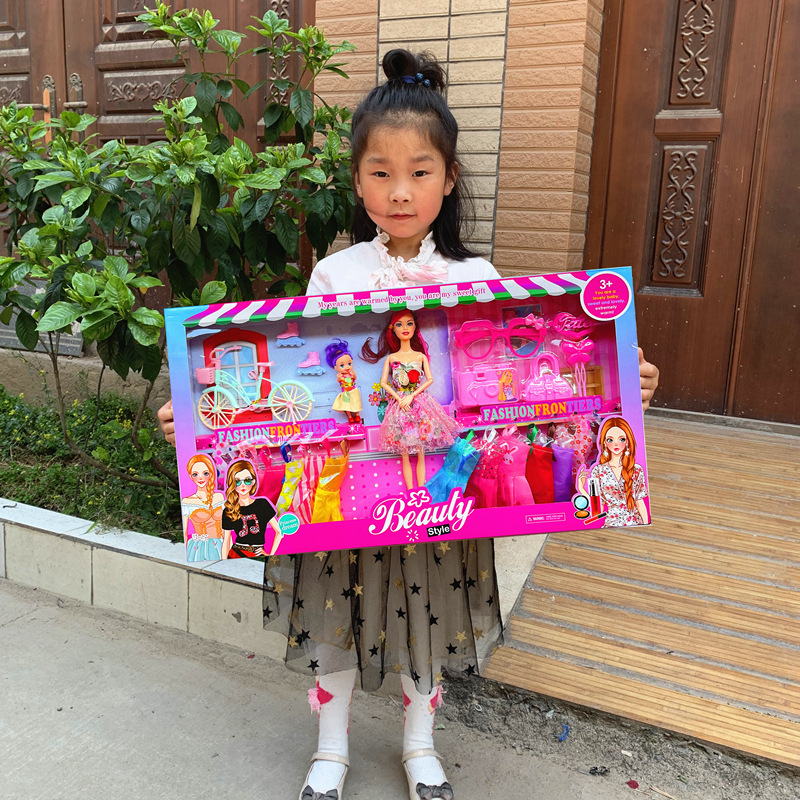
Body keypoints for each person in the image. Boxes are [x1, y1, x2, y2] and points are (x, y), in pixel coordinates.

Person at [156, 48, 661, 800]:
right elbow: (302, 381)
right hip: (355, 487)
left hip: (438, 501)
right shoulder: (334, 277)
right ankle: (331, 750)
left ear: (449, 178)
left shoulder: (476, 279)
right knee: (333, 609)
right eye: (381, 173)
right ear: (357, 181)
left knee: (430, 611)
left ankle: (420, 745)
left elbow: (531, 377)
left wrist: (626, 385)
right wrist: (198, 422)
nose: (400, 191)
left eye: (420, 171)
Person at [361, 309, 461, 488]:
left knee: (421, 450)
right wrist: (399, 399)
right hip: (401, 405)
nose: (405, 328)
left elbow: (429, 379)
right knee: (404, 453)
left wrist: (412, 395)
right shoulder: (392, 358)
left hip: (419, 404)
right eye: (399, 324)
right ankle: (410, 493)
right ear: (393, 329)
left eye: (409, 323)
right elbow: (384, 383)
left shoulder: (420, 356)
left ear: (415, 326)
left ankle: (420, 491)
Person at [580, 416, 649, 526]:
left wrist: (646, 524)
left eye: (621, 439)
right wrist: (581, 489)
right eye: (610, 440)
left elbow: (640, 502)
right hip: (611, 524)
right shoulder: (598, 471)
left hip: (635, 522)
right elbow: (597, 509)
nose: (616, 444)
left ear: (627, 441)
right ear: (604, 442)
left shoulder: (636, 469)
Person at [220, 460, 282, 558]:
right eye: (237, 481)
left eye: (247, 480)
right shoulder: (229, 509)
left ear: (253, 481)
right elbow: (226, 540)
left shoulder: (262, 504)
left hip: (258, 554)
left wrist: (270, 555)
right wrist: (223, 563)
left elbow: (279, 532)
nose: (243, 485)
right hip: (236, 553)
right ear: (231, 483)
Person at [182, 454, 225, 562]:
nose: (200, 478)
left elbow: (226, 528)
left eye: (205, 473)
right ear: (191, 476)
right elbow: (185, 532)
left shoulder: (219, 497)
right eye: (195, 474)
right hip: (199, 548)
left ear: (210, 474)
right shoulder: (187, 502)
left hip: (221, 544)